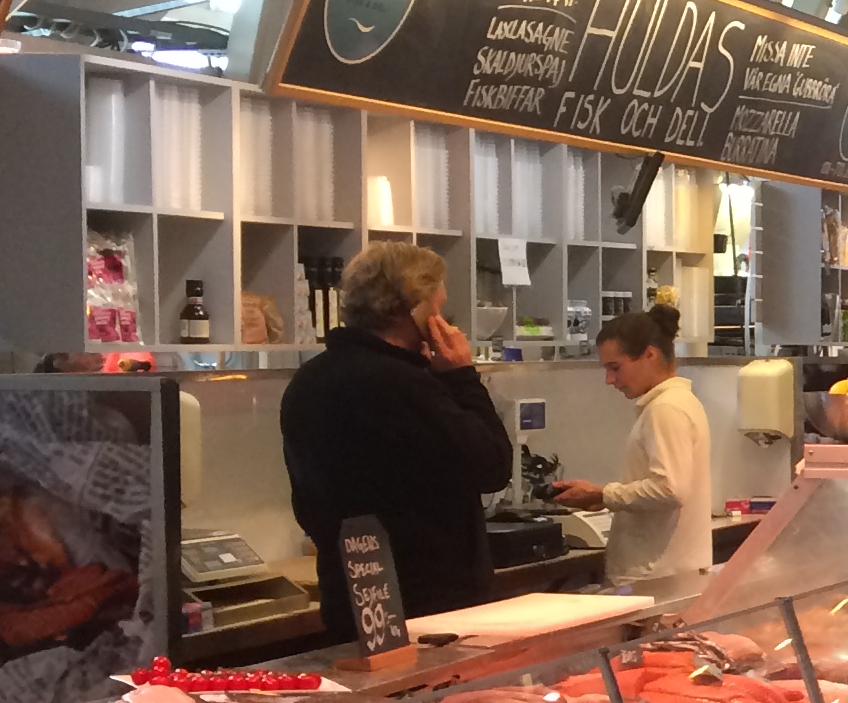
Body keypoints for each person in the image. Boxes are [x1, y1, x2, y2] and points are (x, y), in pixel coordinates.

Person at [280, 243, 513, 639]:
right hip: (430, 604)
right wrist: (462, 376)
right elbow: (491, 466)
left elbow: (306, 504)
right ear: (415, 307)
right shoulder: (404, 384)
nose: (443, 316)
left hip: (351, 596)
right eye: (438, 304)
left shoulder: (306, 382)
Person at [549, 305, 713, 598]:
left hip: (656, 578)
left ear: (650, 354)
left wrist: (603, 494)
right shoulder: (679, 402)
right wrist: (602, 498)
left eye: (615, 367)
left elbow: (670, 489)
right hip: (669, 573)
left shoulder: (666, 408)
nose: (609, 380)